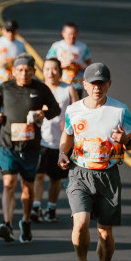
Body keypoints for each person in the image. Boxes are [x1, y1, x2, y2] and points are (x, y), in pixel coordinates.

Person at [57, 63, 131, 261]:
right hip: (79, 173)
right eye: (93, 83)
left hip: (108, 175)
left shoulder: (120, 110)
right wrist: (62, 152)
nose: (97, 88)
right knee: (80, 223)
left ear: (109, 84)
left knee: (105, 232)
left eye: (101, 83)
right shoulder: (73, 110)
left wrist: (124, 140)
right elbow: (68, 134)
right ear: (84, 85)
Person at [0, 53, 60, 243]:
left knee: (27, 189)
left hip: (31, 146)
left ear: (34, 71)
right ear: (14, 71)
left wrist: (43, 114)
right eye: (20, 70)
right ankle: (7, 224)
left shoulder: (41, 88)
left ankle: (26, 221)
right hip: (8, 144)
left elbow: (55, 109)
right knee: (9, 183)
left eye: (28, 70)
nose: (24, 74)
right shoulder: (6, 87)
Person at [32, 58, 79, 223]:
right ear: (42, 71)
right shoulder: (38, 89)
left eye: (54, 69)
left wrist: (70, 124)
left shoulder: (68, 89)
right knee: (38, 175)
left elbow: (78, 112)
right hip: (41, 139)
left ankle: (51, 209)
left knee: (55, 178)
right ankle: (36, 207)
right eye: (47, 69)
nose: (50, 73)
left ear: (60, 71)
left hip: (61, 142)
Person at [46, 22, 92, 96]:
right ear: (63, 33)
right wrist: (62, 65)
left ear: (77, 33)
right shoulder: (56, 46)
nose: (72, 36)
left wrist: (81, 66)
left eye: (74, 33)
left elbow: (88, 63)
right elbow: (48, 63)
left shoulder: (82, 47)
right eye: (69, 34)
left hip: (77, 84)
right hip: (61, 84)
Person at [0, 20, 26, 85]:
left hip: (13, 81)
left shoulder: (21, 44)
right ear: (3, 30)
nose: (10, 33)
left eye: (12, 31)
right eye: (8, 31)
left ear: (16, 31)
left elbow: (24, 60)